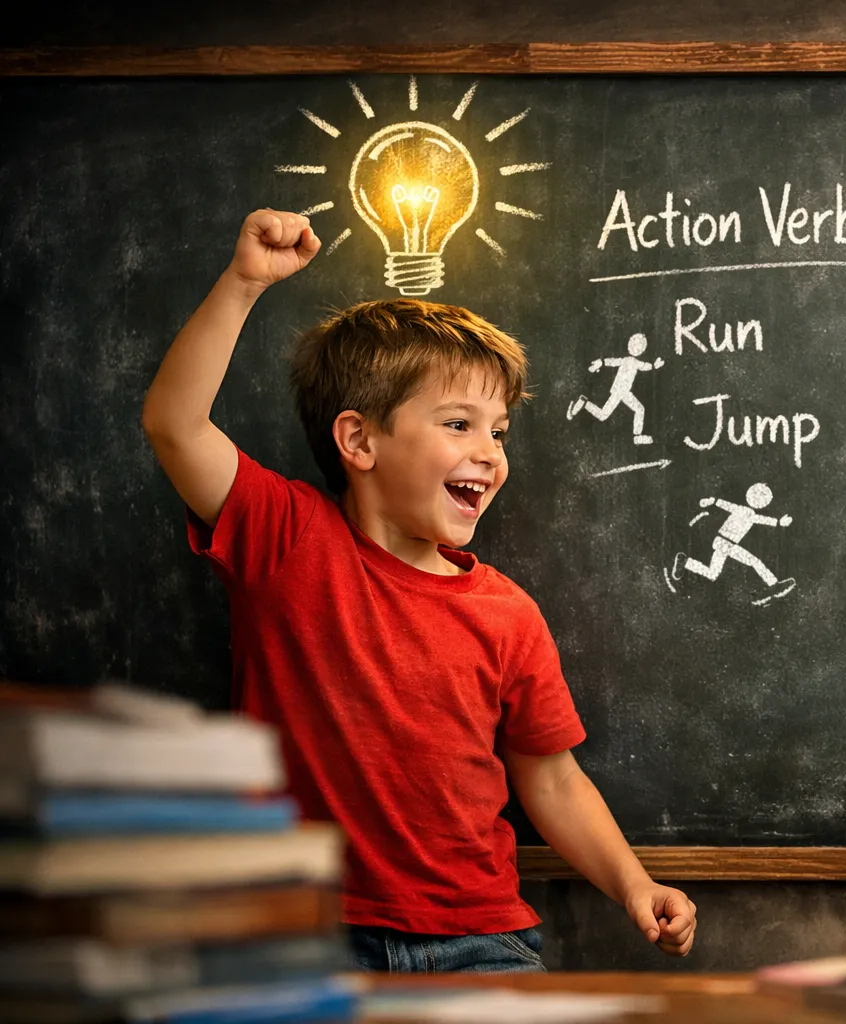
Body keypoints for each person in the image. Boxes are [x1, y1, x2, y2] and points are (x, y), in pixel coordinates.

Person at [142, 209, 696, 970]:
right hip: (301, 932)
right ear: (359, 440)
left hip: (479, 937)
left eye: (499, 432)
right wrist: (243, 283)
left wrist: (634, 884)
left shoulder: (507, 614)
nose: (490, 453)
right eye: (459, 423)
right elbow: (175, 424)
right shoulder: (287, 537)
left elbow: (553, 780)